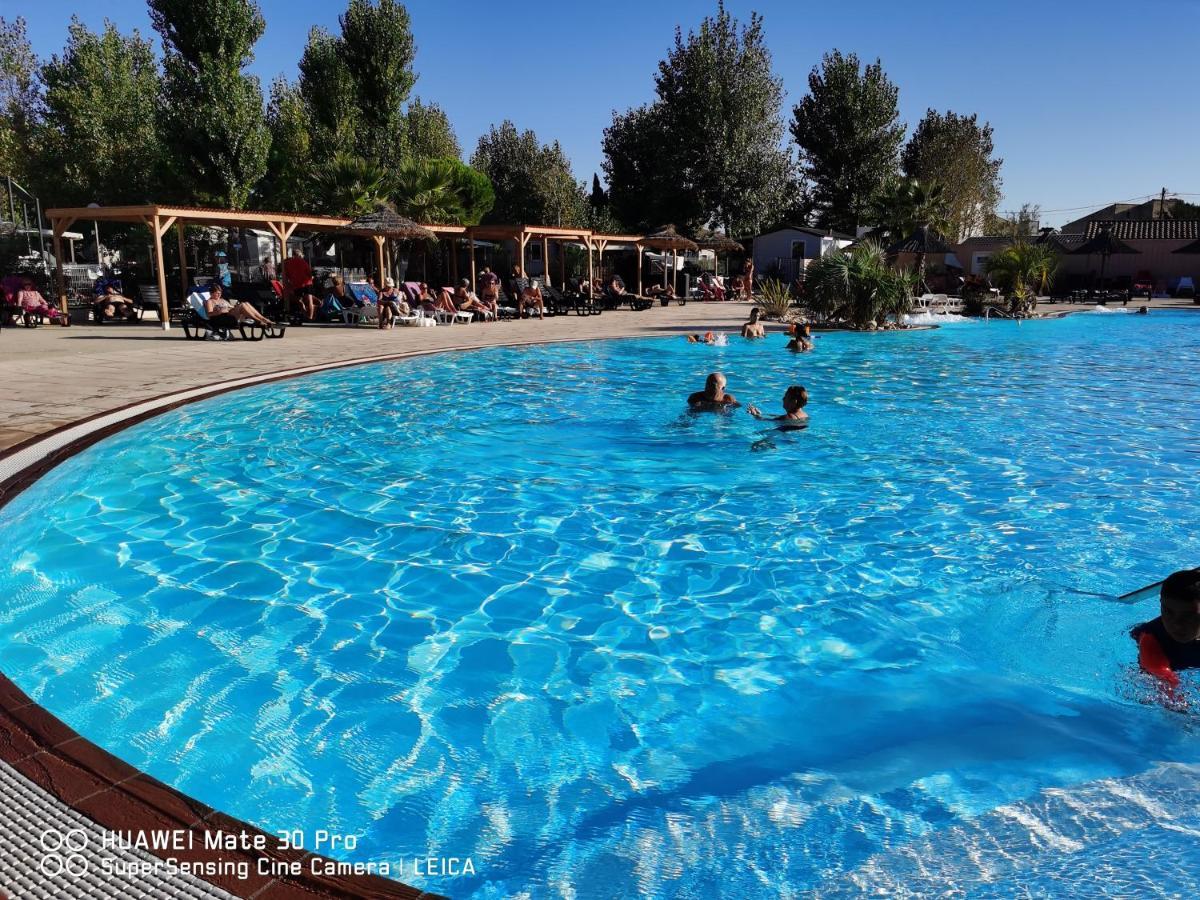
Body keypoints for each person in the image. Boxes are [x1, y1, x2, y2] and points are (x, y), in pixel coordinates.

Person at [1131, 569, 1200, 689]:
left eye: (1188, 616)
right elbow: (1169, 692)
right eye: (1167, 611)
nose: (1177, 624)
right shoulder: (1152, 640)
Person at [203, 284, 274, 338]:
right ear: (211, 293)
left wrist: (231, 307)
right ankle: (258, 320)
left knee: (246, 303)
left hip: (230, 314)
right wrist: (220, 311)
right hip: (223, 318)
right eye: (217, 293)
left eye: (220, 293)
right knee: (242, 305)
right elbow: (209, 314)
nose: (219, 294)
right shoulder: (210, 301)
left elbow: (231, 307)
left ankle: (263, 319)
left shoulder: (222, 300)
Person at [282, 248, 317, 321]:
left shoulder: (287, 263)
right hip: (307, 282)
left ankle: (305, 314)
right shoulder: (303, 262)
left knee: (299, 301)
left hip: (296, 284)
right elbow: (309, 273)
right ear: (299, 254)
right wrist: (311, 277)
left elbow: (287, 275)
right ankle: (310, 317)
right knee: (310, 301)